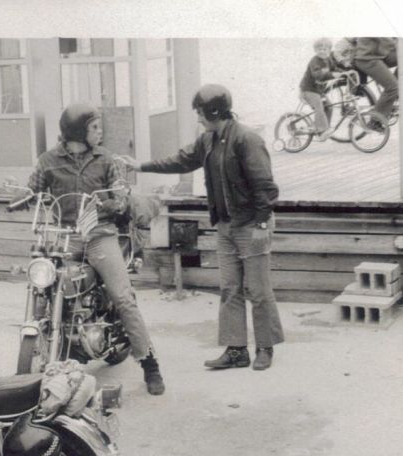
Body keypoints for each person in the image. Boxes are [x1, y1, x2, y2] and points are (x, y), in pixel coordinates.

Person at [122, 85, 284, 371]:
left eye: (199, 112)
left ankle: (264, 348)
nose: (197, 117)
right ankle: (236, 350)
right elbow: (180, 160)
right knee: (230, 289)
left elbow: (265, 187)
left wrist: (261, 223)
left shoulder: (247, 140)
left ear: (213, 111)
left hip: (250, 226)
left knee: (258, 290)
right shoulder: (207, 140)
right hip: (225, 226)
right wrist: (141, 166)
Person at [23, 103, 165, 395]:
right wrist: (21, 195)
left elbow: (119, 189)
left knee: (123, 298)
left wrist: (118, 200)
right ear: (78, 131)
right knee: (45, 284)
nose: (100, 132)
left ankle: (150, 365)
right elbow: (33, 190)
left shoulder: (106, 158)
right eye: (95, 127)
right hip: (64, 238)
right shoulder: (48, 160)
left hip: (100, 235)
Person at [299, 38, 342, 142]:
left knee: (329, 106)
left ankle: (324, 129)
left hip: (318, 90)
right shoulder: (315, 61)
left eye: (325, 49)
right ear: (315, 50)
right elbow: (317, 75)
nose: (322, 51)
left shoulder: (328, 60)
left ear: (329, 50)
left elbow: (334, 69)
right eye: (320, 49)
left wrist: (344, 73)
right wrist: (332, 75)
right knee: (319, 107)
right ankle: (322, 130)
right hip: (308, 89)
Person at [353, 38, 398, 126]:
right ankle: (375, 121)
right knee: (393, 87)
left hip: (378, 56)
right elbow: (387, 39)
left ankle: (395, 94)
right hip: (367, 59)